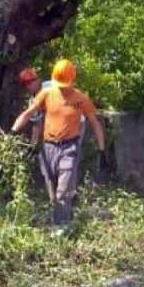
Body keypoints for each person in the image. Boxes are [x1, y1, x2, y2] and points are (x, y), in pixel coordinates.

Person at [12, 59, 104, 230]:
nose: (31, 86)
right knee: (49, 175)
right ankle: (59, 203)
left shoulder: (78, 97)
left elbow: (94, 122)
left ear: (37, 80)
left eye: (32, 82)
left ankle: (61, 225)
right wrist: (15, 132)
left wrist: (102, 148)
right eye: (27, 84)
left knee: (66, 179)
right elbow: (34, 120)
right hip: (50, 142)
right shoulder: (44, 95)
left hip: (73, 136)